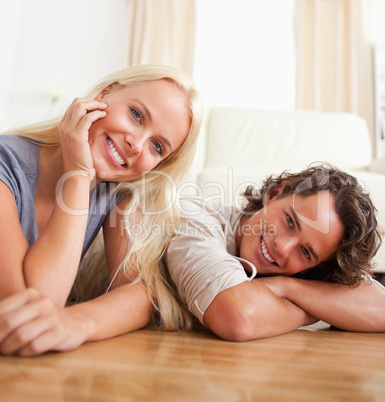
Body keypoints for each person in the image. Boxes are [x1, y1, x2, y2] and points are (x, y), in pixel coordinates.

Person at [0, 64, 202, 356]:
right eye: (136, 115)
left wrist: (77, 322)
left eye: (157, 146)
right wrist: (79, 174)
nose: (136, 144)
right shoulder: (7, 162)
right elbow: (30, 305)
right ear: (105, 95)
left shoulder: (116, 192)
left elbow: (137, 293)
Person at [166, 164, 385, 341]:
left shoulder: (295, 276)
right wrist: (309, 312)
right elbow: (238, 317)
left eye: (306, 252)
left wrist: (287, 287)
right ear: (274, 194)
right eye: (289, 221)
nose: (283, 247)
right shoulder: (195, 218)